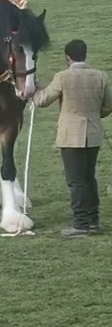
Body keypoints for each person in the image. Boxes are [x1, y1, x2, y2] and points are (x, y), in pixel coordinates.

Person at [30, 39, 112, 237]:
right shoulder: (100, 76)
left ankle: (80, 224)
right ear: (85, 54)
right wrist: (94, 115)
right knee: (89, 178)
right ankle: (93, 220)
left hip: (70, 136)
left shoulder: (62, 77)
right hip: (93, 134)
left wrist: (34, 87)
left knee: (76, 181)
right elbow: (108, 105)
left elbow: (42, 100)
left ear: (68, 57)